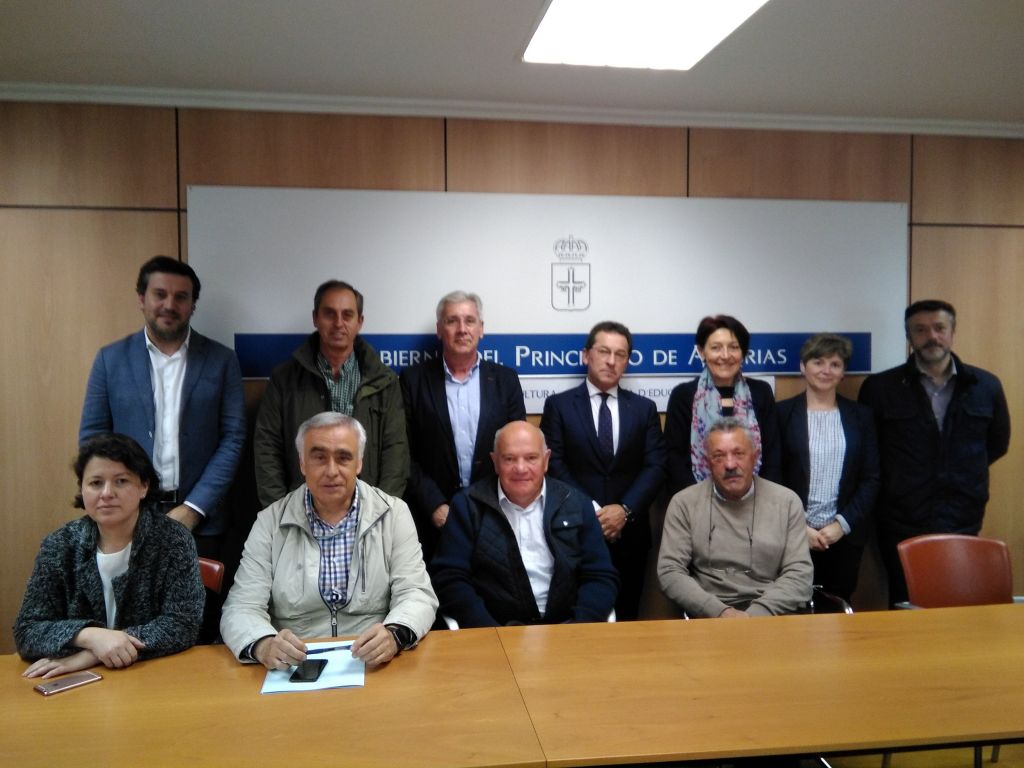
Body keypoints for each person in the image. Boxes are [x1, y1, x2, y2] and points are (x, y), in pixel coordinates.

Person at [221, 412, 436, 669]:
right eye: (319, 457)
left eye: (343, 457)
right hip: (295, 666)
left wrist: (394, 634)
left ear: (359, 463)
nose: (331, 471)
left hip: (372, 664)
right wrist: (263, 644)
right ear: (302, 463)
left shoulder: (393, 514)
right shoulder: (271, 522)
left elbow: (416, 593)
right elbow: (241, 607)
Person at [79, 256, 245, 559]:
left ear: (192, 305)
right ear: (142, 299)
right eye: (160, 294)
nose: (170, 305)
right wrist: (122, 501)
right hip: (127, 519)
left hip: (202, 523)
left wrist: (194, 509)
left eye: (181, 297)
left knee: (201, 593)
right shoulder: (110, 360)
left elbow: (233, 439)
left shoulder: (222, 360)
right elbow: (93, 441)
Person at [858, 299, 1010, 605]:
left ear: (952, 332)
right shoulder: (880, 388)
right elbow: (869, 451)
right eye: (921, 330)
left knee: (959, 600)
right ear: (909, 336)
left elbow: (997, 444)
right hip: (900, 518)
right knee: (906, 603)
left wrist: (960, 474)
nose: (932, 337)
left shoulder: (985, 386)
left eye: (940, 328)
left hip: (962, 514)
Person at [15, 434, 204, 678]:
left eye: (121, 481)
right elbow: (27, 630)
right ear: (82, 489)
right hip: (83, 686)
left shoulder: (173, 539)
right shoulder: (60, 545)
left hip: (154, 675)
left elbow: (182, 624)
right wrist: (91, 636)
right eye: (95, 483)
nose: (106, 493)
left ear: (144, 486)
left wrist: (94, 654)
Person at [430, 421, 618, 627]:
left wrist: (579, 626)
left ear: (546, 460)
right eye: (509, 458)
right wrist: (488, 631)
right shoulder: (468, 506)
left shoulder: (576, 503)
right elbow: (450, 578)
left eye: (531, 458)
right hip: (496, 629)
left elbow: (600, 576)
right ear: (495, 462)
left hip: (567, 628)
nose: (520, 468)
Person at [540, 321, 666, 620]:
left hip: (630, 534)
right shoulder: (559, 406)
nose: (611, 361)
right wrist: (594, 511)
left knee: (627, 619)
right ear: (587, 355)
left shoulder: (645, 409)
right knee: (577, 619)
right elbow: (554, 464)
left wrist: (624, 510)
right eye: (604, 351)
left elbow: (656, 466)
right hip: (575, 530)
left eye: (620, 354)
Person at [254, 280, 408, 508]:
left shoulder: (384, 381)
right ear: (315, 318)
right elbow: (267, 448)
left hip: (368, 513)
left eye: (347, 315)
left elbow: (395, 451)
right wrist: (281, 512)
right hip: (300, 512)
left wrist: (380, 512)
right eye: (329, 314)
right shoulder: (284, 380)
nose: (338, 323)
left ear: (359, 322)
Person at [400, 290, 525, 560]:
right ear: (439, 329)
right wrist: (434, 504)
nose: (462, 329)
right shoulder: (413, 381)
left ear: (481, 329)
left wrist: (490, 503)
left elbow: (518, 451)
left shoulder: (506, 381)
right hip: (430, 520)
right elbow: (403, 453)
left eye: (469, 321)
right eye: (452, 321)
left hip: (494, 513)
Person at [657, 418, 812, 618]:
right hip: (709, 617)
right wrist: (720, 612)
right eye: (719, 456)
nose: (730, 464)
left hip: (772, 616)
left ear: (755, 457)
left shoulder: (787, 502)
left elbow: (800, 574)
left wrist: (754, 615)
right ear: (707, 462)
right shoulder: (684, 503)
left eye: (739, 454)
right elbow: (670, 571)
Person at [777, 334, 880, 602]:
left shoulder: (861, 416)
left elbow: (871, 478)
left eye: (835, 364)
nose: (826, 370)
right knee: (791, 607)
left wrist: (841, 525)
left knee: (837, 607)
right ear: (803, 366)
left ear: (843, 372)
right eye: (818, 362)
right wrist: (800, 527)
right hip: (792, 534)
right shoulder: (781, 414)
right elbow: (773, 477)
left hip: (843, 537)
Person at [664, 314, 780, 496]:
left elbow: (773, 455)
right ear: (702, 352)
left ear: (743, 352)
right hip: (698, 500)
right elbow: (674, 459)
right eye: (716, 348)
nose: (725, 356)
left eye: (733, 347)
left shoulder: (761, 392)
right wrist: (698, 500)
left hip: (756, 500)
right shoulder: (684, 395)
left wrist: (759, 498)